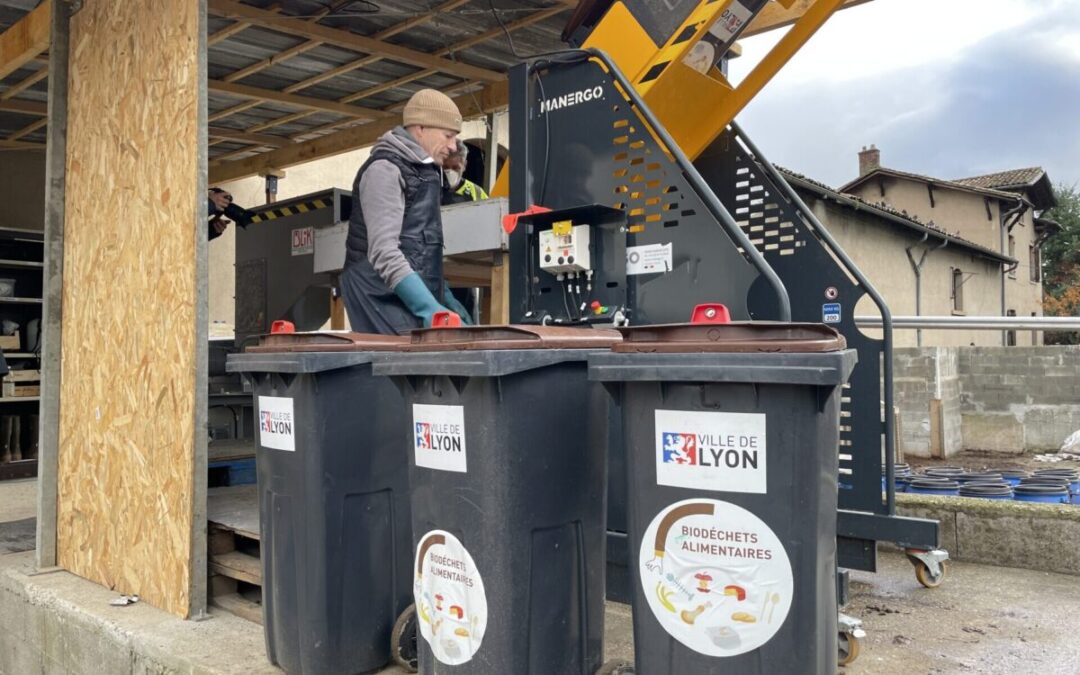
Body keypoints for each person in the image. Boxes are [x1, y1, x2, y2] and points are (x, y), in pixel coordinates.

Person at [342, 89, 473, 334]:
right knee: (400, 366)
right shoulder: (385, 170)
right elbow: (384, 252)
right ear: (420, 128)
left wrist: (445, 298)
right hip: (376, 290)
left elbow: (419, 252)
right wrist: (429, 308)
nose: (453, 145)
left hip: (403, 291)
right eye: (448, 136)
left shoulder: (428, 172)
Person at [441, 140, 489, 205]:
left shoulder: (477, 192)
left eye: (455, 168)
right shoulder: (432, 188)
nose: (450, 172)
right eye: (445, 167)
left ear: (464, 165)